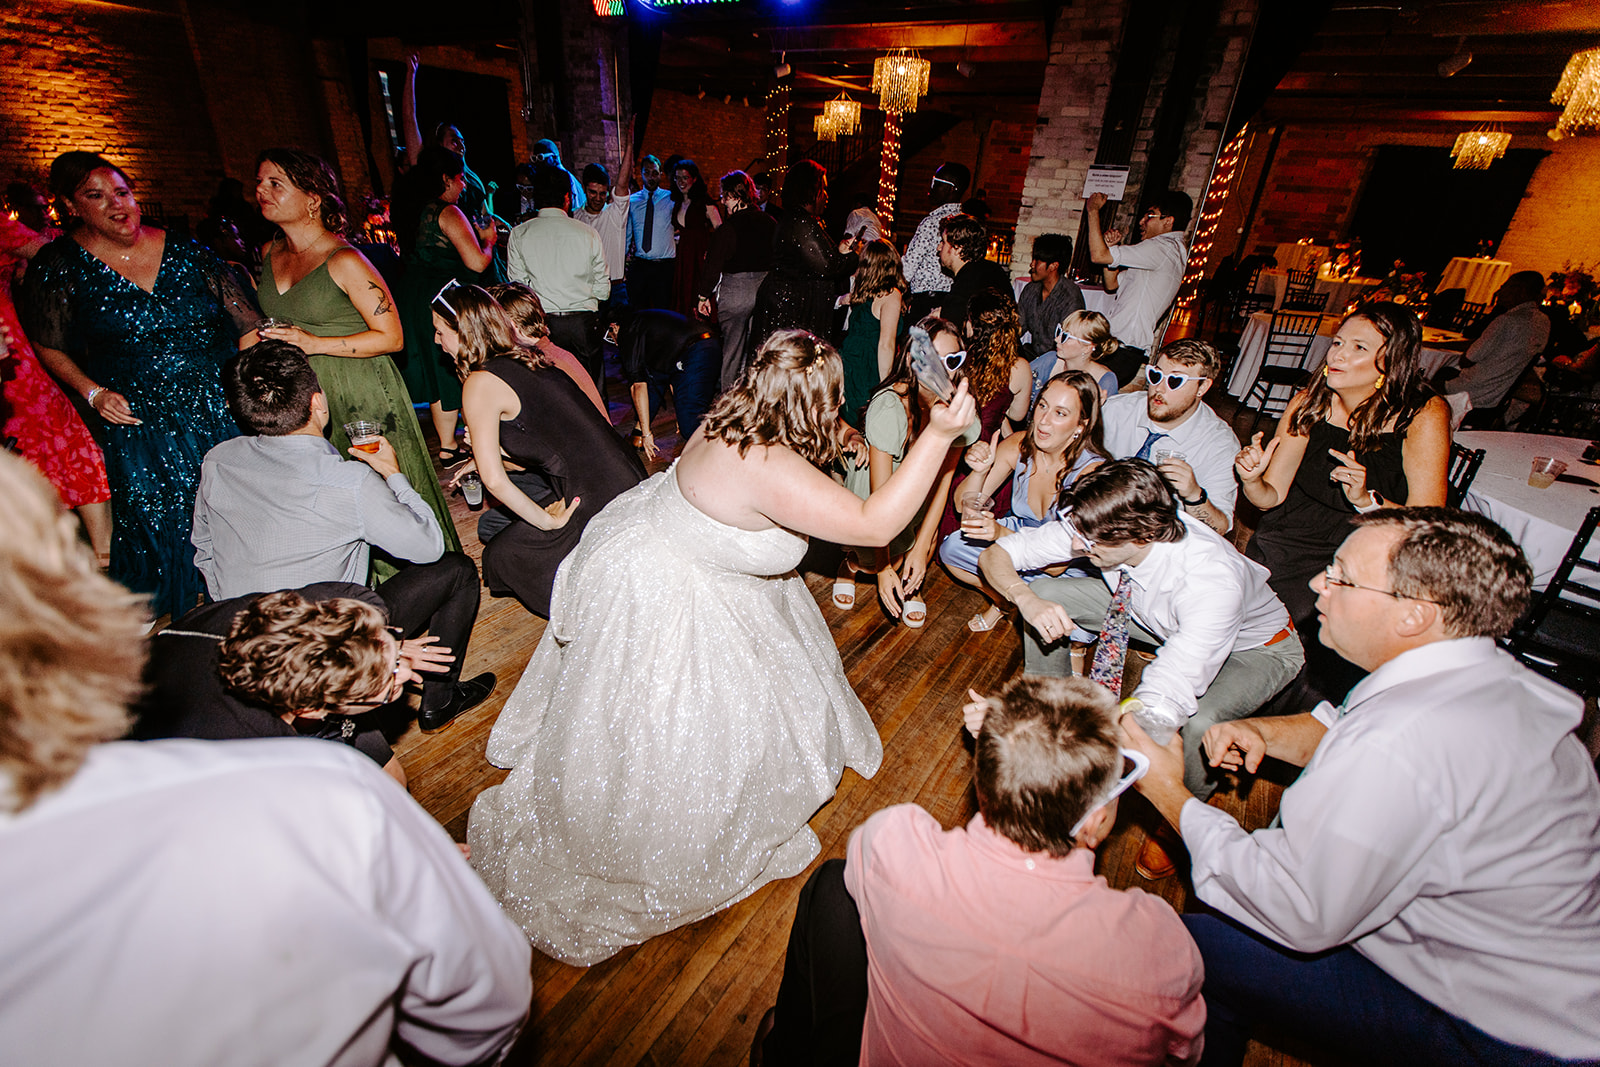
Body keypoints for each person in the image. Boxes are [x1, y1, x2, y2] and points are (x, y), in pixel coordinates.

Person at [0, 450, 533, 1067]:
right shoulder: (272, 775)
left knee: (388, 776)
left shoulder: (250, 621)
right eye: (386, 692)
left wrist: (387, 644)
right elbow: (484, 1012)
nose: (401, 689)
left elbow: (340, 600)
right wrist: (393, 862)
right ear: (310, 715)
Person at [467, 330, 977, 966]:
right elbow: (875, 524)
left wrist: (841, 440)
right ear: (813, 404)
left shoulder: (735, 410)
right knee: (679, 747)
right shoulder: (768, 467)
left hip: (654, 544)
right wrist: (936, 435)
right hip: (674, 594)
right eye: (834, 406)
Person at [1122, 508, 1600, 1066]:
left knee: (1192, 948)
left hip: (1505, 1028)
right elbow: (1346, 728)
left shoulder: (1403, 740)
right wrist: (1264, 730)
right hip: (1547, 966)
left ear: (1415, 615)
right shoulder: (1478, 676)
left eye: (1342, 576)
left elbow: (1294, 907)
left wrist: (1167, 792)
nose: (1319, 583)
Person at [758, 675, 1206, 1067]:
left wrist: (1014, 738)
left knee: (834, 886)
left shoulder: (894, 844)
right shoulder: (1156, 950)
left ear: (984, 778)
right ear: (1094, 821)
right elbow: (1185, 1052)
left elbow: (865, 870)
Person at [978, 458, 1303, 878]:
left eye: (1090, 541)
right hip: (1152, 617)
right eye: (1075, 532)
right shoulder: (1099, 521)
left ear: (1145, 533)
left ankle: (1178, 819)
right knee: (1047, 591)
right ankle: (1047, 714)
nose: (1077, 547)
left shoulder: (1211, 582)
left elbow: (1163, 702)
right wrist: (1026, 599)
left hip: (1258, 649)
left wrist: (1088, 769)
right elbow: (997, 554)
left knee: (1203, 720)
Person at [192, 342, 493, 730]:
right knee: (457, 569)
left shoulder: (218, 458)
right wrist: (392, 474)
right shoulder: (349, 481)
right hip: (321, 647)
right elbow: (427, 546)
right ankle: (440, 699)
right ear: (318, 402)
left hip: (245, 638)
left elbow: (204, 550)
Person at [23, 151, 250, 618]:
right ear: (70, 206)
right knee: (165, 525)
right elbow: (47, 343)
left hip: (217, 404)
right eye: (96, 196)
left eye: (122, 192)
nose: (116, 204)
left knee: (241, 508)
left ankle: (251, 595)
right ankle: (195, 626)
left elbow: (245, 320)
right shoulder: (59, 264)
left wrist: (251, 392)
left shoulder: (186, 249)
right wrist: (93, 392)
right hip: (140, 418)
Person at [251, 147, 461, 555]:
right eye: (259, 182)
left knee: (384, 485)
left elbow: (392, 337)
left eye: (276, 183)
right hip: (302, 390)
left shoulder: (345, 260)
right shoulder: (269, 253)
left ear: (312, 198)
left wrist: (314, 344)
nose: (262, 190)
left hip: (358, 387)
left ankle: (425, 568)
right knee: (329, 491)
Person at [1236, 302, 1450, 700]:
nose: (1336, 355)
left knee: (1321, 633)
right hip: (1292, 536)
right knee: (1251, 613)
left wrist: (1366, 500)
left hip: (1368, 546)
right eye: (1337, 343)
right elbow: (1270, 497)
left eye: (1357, 348)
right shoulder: (1310, 401)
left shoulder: (1421, 414)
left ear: (1391, 361)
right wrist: (1250, 480)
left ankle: (1305, 723)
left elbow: (1429, 520)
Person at [435, 283, 644, 617]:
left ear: (464, 333)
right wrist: (491, 457)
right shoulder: (524, 358)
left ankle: (594, 619)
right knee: (506, 537)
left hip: (597, 494)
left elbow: (495, 482)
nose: (436, 341)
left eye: (440, 331)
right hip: (622, 474)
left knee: (505, 555)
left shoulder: (479, 383)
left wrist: (547, 523)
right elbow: (547, 447)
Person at [837, 320, 979, 627]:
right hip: (879, 492)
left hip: (923, 490)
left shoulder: (958, 407)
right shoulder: (891, 406)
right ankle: (850, 564)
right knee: (875, 559)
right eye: (930, 360)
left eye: (952, 361)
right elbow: (880, 498)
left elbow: (944, 480)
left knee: (923, 543)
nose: (942, 371)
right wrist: (884, 566)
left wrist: (923, 548)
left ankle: (914, 583)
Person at [940, 370, 1106, 633]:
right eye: (1042, 406)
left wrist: (999, 534)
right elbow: (963, 505)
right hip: (1021, 534)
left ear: (1081, 425)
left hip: (1068, 562)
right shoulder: (1020, 444)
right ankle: (1006, 601)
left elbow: (1056, 566)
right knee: (952, 548)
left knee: (1059, 604)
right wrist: (980, 471)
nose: (1043, 421)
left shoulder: (1091, 475)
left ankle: (1027, 601)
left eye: (1060, 413)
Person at [0, 210, 111, 564]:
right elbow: (51, 254)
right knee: (55, 440)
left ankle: (98, 554)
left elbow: (51, 257)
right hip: (8, 345)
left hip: (9, 349)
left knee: (53, 438)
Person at [392, 146, 497, 465]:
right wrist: (488, 238)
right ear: (445, 179)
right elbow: (477, 263)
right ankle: (457, 444)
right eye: (460, 178)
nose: (464, 185)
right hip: (442, 300)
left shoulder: (410, 209)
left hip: (413, 298)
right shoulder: (447, 212)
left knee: (434, 369)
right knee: (452, 370)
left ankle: (448, 446)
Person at [1101, 338, 1238, 535]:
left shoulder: (1219, 445)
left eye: (1175, 381)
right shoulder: (1117, 410)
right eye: (1156, 376)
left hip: (1161, 543)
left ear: (1202, 388)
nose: (1159, 389)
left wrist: (1193, 495)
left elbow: (1219, 528)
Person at [505, 160, 610, 390]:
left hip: (543, 324)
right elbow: (603, 291)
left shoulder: (520, 234)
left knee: (553, 392)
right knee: (591, 390)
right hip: (583, 323)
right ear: (567, 197)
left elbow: (519, 290)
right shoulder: (588, 233)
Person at [1085, 190, 1191, 386]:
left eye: (1150, 216)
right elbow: (1112, 284)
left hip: (1122, 350)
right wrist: (1112, 252)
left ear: (1168, 221)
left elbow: (1098, 255)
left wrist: (1092, 210)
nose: (1142, 221)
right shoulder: (1167, 251)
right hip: (1121, 349)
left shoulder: (1162, 248)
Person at [753, 161, 859, 343]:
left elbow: (816, 259)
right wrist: (852, 256)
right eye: (823, 189)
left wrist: (839, 252)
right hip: (788, 308)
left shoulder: (798, 220)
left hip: (790, 304)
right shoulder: (801, 223)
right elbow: (828, 266)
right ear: (810, 191)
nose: (826, 196)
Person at [697, 169, 776, 389]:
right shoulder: (769, 221)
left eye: (725, 196)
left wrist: (703, 296)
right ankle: (752, 395)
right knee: (756, 349)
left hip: (737, 292)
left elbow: (714, 264)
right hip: (763, 290)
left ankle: (729, 400)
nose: (723, 202)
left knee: (732, 350)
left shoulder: (729, 228)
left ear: (735, 196)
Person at [1441, 270, 1551, 421]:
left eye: (1505, 286)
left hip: (1474, 392)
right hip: (1501, 394)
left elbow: (1466, 360)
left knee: (1431, 379)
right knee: (1446, 372)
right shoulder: (1543, 322)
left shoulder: (1506, 320)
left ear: (1519, 291)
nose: (1499, 291)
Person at [623, 308, 721, 460]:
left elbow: (638, 387)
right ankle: (639, 431)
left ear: (614, 327)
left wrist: (647, 434)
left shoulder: (630, 329)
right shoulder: (645, 321)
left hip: (699, 349)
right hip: (700, 344)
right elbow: (667, 372)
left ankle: (722, 453)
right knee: (656, 381)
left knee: (689, 426)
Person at [836, 238, 905, 429]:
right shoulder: (891, 294)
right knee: (870, 424)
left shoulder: (863, 291)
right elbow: (886, 344)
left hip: (848, 360)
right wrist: (885, 387)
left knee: (847, 422)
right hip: (869, 366)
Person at [901, 162, 970, 322]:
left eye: (936, 183)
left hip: (926, 303)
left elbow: (908, 269)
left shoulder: (932, 223)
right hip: (951, 302)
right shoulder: (965, 223)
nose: (930, 188)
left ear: (951, 189)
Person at [575, 152, 633, 337]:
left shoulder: (614, 214)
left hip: (615, 288)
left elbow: (622, 184)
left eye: (602, 193)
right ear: (584, 189)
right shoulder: (575, 218)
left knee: (622, 344)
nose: (598, 198)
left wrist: (630, 145)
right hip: (586, 289)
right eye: (593, 192)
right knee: (592, 343)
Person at [934, 212, 1010, 333]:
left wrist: (940, 315)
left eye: (943, 242)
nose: (939, 247)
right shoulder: (992, 270)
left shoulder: (966, 283)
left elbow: (952, 329)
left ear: (958, 248)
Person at [1028, 307, 1121, 403]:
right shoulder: (1050, 360)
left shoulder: (1105, 381)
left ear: (1087, 347)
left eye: (1066, 336)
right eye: (1059, 331)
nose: (1057, 339)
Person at [1017, 232, 1085, 360]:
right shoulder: (1030, 289)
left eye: (1037, 260)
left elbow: (1069, 345)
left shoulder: (1070, 297)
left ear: (1053, 266)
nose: (1032, 264)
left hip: (1057, 360)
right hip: (1031, 355)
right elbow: (1018, 327)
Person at [669, 158, 722, 318]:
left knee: (697, 294)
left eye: (685, 177)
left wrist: (711, 253)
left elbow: (721, 231)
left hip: (699, 256)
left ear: (694, 179)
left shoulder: (705, 202)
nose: (681, 182)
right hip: (683, 257)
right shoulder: (678, 202)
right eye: (677, 178)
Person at [625, 153, 676, 312]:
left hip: (665, 266)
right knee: (639, 311)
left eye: (655, 173)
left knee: (664, 312)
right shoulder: (632, 201)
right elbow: (626, 234)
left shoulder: (671, 199)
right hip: (641, 264)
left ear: (661, 174)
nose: (651, 177)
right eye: (647, 173)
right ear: (641, 174)